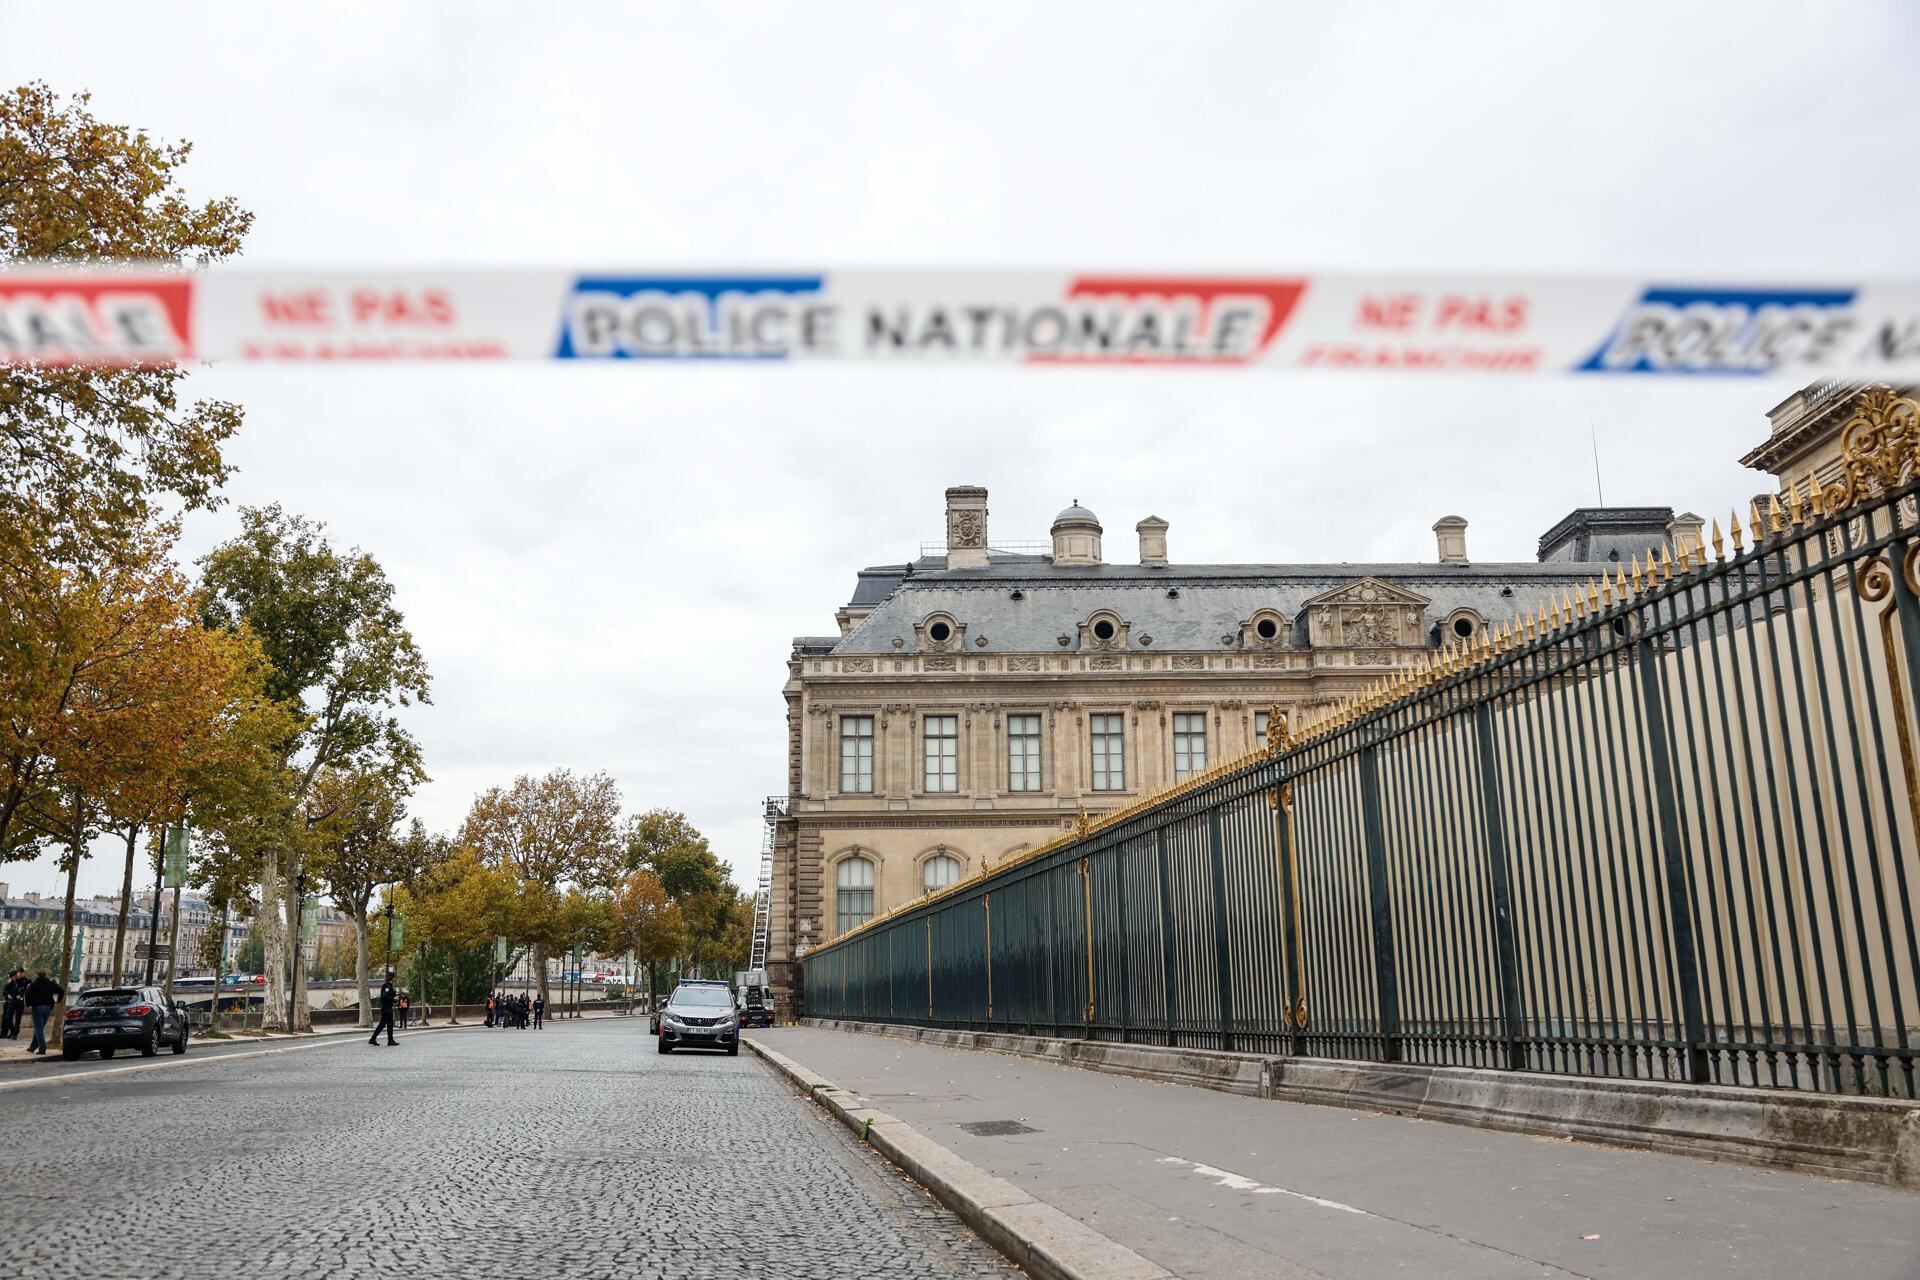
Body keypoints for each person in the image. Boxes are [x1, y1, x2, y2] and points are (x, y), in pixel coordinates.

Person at [24, 969, 63, 1055]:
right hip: (48, 1008)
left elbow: (27, 994)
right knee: (40, 1028)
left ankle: (42, 1048)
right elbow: (61, 991)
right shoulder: (51, 984)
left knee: (39, 1029)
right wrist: (58, 1001)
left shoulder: (34, 984)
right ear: (45, 975)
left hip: (37, 1008)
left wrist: (29, 1004)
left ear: (38, 976)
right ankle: (32, 1047)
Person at [368, 971, 397, 1047]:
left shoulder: (387, 985)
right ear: (393, 978)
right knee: (389, 1024)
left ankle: (373, 1039)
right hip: (387, 1009)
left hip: (385, 1008)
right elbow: (384, 997)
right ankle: (390, 1040)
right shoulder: (387, 986)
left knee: (382, 1024)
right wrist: (393, 999)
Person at [1, 968, 26, 1039]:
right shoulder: (11, 982)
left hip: (19, 1002)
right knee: (7, 1018)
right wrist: (8, 994)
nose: (17, 976)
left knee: (17, 1019)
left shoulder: (23, 982)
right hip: (11, 1002)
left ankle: (14, 1033)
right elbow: (5, 991)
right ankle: (12, 1031)